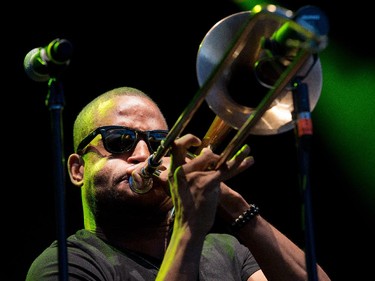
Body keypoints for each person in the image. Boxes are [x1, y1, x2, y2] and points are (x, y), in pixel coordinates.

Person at [26, 86, 331, 281]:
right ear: (78, 169)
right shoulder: (65, 266)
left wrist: (231, 202)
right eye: (120, 140)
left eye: (160, 143)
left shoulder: (227, 252)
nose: (145, 155)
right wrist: (190, 226)